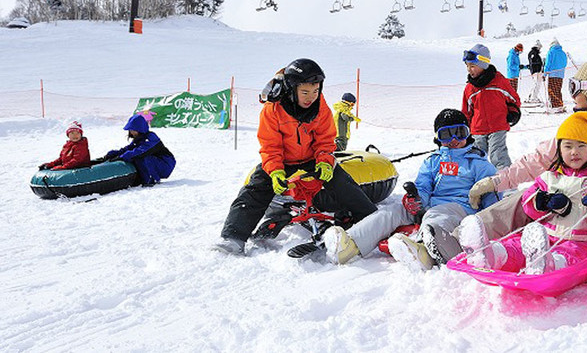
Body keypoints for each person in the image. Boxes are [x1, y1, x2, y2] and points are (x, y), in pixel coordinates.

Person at [425, 54, 587, 309]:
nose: (572, 96)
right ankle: (460, 241)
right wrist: (495, 182)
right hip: (573, 210)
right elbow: (537, 160)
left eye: (576, 88)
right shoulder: (578, 126)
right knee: (530, 194)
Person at [215, 58, 377, 255]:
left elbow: (325, 141)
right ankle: (233, 238)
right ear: (292, 89)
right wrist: (275, 172)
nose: (311, 97)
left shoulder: (321, 107)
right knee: (256, 187)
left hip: (311, 158)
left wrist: (325, 162)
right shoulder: (273, 109)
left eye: (316, 91)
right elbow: (270, 146)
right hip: (283, 160)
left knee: (342, 181)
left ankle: (373, 223)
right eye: (305, 92)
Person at [323, 109, 500, 267]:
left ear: (468, 134)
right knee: (392, 211)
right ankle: (350, 244)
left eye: (459, 133)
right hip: (429, 205)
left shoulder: (479, 164)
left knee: (435, 215)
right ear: (438, 138)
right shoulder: (433, 161)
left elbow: (492, 198)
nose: (454, 140)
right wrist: (415, 200)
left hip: (459, 209)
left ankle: (425, 250)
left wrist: (488, 223)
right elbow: (422, 186)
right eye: (446, 134)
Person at [459, 111, 587, 275]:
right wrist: (543, 202)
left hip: (585, 241)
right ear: (559, 149)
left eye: (581, 146)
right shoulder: (550, 176)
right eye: (568, 146)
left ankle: (550, 265)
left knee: (571, 255)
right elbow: (528, 203)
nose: (574, 152)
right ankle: (493, 254)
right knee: (518, 244)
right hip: (548, 235)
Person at [461, 44, 521, 170]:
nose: (469, 70)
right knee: (477, 157)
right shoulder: (469, 89)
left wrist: (514, 112)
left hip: (497, 125)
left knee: (498, 154)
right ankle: (478, 182)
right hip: (477, 129)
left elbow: (514, 99)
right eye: (467, 66)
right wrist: (464, 128)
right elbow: (466, 111)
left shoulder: (499, 82)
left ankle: (506, 181)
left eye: (472, 66)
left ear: (483, 65)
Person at [100, 114, 176, 185]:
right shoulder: (139, 139)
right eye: (130, 130)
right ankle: (143, 177)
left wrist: (122, 157)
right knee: (135, 157)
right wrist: (116, 153)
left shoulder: (151, 138)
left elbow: (139, 152)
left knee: (141, 157)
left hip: (165, 164)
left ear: (140, 129)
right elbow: (128, 148)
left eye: (133, 130)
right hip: (156, 162)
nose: (132, 132)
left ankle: (151, 179)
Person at [543, 38, 568, 112]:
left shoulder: (551, 52)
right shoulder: (563, 53)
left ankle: (555, 106)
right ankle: (560, 104)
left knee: (552, 90)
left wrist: (544, 74)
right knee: (558, 90)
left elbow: (548, 64)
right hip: (560, 75)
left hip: (552, 74)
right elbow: (565, 63)